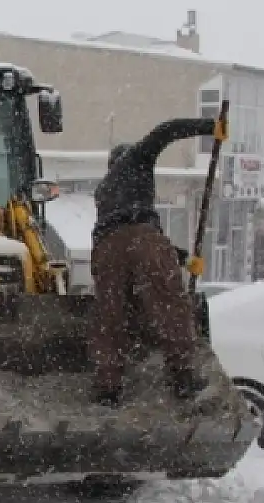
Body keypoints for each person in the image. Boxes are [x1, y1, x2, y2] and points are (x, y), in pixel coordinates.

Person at [89, 116, 227, 407]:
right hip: (143, 237)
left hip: (105, 249)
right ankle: (183, 376)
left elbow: (121, 236)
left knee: (111, 314)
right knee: (169, 304)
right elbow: (166, 130)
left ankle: (108, 387)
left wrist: (183, 258)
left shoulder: (103, 190)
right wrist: (208, 127)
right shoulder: (137, 159)